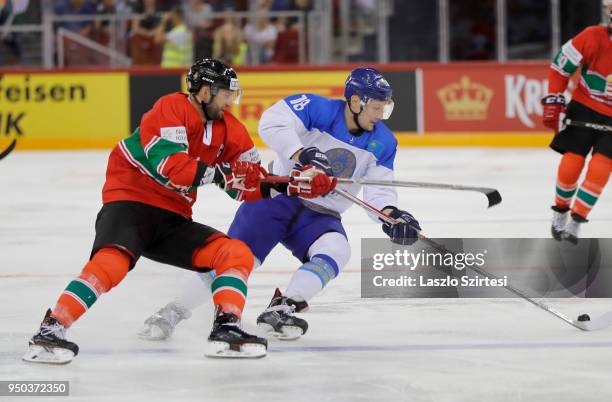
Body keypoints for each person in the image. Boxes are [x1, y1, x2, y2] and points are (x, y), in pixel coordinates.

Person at [23, 59, 277, 363]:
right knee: (113, 263)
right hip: (132, 202)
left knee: (235, 253)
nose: (229, 102)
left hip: (173, 217)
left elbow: (246, 186)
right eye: (225, 94)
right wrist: (223, 172)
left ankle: (226, 329)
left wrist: (290, 185)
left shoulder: (231, 129)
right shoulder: (171, 107)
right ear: (205, 91)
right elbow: (174, 168)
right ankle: (51, 329)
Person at [139, 67, 421, 341]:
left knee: (337, 249)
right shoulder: (317, 108)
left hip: (320, 216)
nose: (382, 115)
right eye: (377, 107)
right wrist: (302, 153)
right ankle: (173, 311)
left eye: (386, 108)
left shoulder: (384, 141)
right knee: (238, 260)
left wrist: (391, 216)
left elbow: (379, 189)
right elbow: (271, 121)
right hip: (276, 198)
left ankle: (283, 307)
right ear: (356, 101)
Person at [542, 8, 611, 244]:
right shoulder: (592, 36)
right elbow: (561, 66)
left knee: (601, 167)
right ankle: (560, 211)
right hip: (584, 106)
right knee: (573, 160)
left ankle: (577, 219)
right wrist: (555, 97)